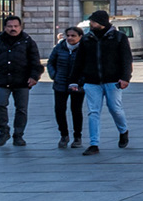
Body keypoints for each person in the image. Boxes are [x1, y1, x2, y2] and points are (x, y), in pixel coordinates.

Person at [69, 9, 132, 155]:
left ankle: (123, 131)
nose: (91, 24)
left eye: (94, 21)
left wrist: (125, 78)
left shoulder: (119, 37)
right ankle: (94, 144)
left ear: (102, 23)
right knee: (93, 112)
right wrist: (74, 81)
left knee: (114, 108)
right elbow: (79, 61)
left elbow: (126, 59)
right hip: (91, 81)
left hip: (113, 80)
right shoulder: (86, 39)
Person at [0, 15, 43, 147]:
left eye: (15, 26)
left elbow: (35, 61)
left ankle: (18, 135)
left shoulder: (28, 41)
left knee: (22, 109)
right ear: (5, 27)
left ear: (20, 27)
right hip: (2, 79)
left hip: (22, 81)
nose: (13, 29)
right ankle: (3, 131)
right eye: (10, 26)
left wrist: (34, 76)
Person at [48, 25, 86, 147]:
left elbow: (88, 66)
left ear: (80, 37)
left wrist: (81, 81)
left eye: (73, 36)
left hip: (77, 85)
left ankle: (77, 136)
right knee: (59, 110)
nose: (70, 38)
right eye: (68, 35)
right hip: (60, 83)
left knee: (76, 110)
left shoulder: (84, 49)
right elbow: (50, 63)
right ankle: (64, 135)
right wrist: (54, 75)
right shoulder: (59, 48)